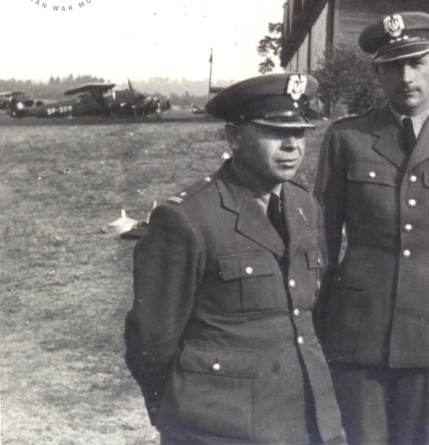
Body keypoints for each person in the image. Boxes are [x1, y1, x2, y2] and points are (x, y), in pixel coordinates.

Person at [124, 74, 346, 445]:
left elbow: (307, 316)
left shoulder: (305, 206)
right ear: (234, 136)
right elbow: (151, 341)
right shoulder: (188, 218)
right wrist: (182, 414)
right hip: (220, 427)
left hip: (306, 419)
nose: (292, 144)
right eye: (274, 131)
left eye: (300, 132)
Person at [314, 12, 429, 445]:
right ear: (377, 71)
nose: (406, 77)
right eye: (393, 66)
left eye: (416, 63)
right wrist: (314, 327)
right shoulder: (347, 138)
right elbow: (319, 242)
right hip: (357, 328)